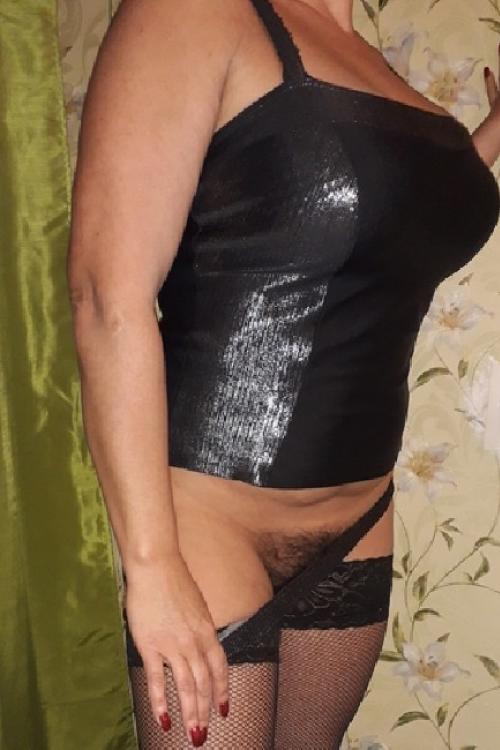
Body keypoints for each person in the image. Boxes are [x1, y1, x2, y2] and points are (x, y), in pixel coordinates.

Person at [66, 0, 500, 747]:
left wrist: (487, 140)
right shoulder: (196, 12)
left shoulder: (369, 59)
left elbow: (390, 212)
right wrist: (152, 563)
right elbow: (107, 295)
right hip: (207, 522)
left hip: (357, 521)